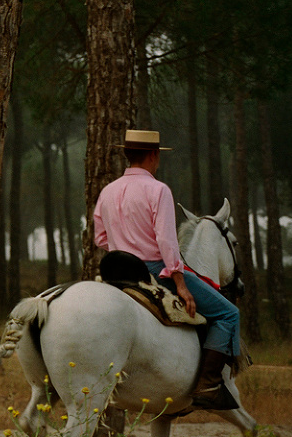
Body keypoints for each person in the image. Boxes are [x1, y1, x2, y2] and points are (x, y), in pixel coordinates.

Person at [92, 128, 241, 410]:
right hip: (152, 269)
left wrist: (124, 243)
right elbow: (166, 240)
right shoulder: (158, 190)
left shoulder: (108, 191)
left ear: (128, 155)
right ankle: (209, 384)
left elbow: (100, 238)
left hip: (117, 270)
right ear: (153, 155)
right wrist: (180, 283)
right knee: (228, 314)